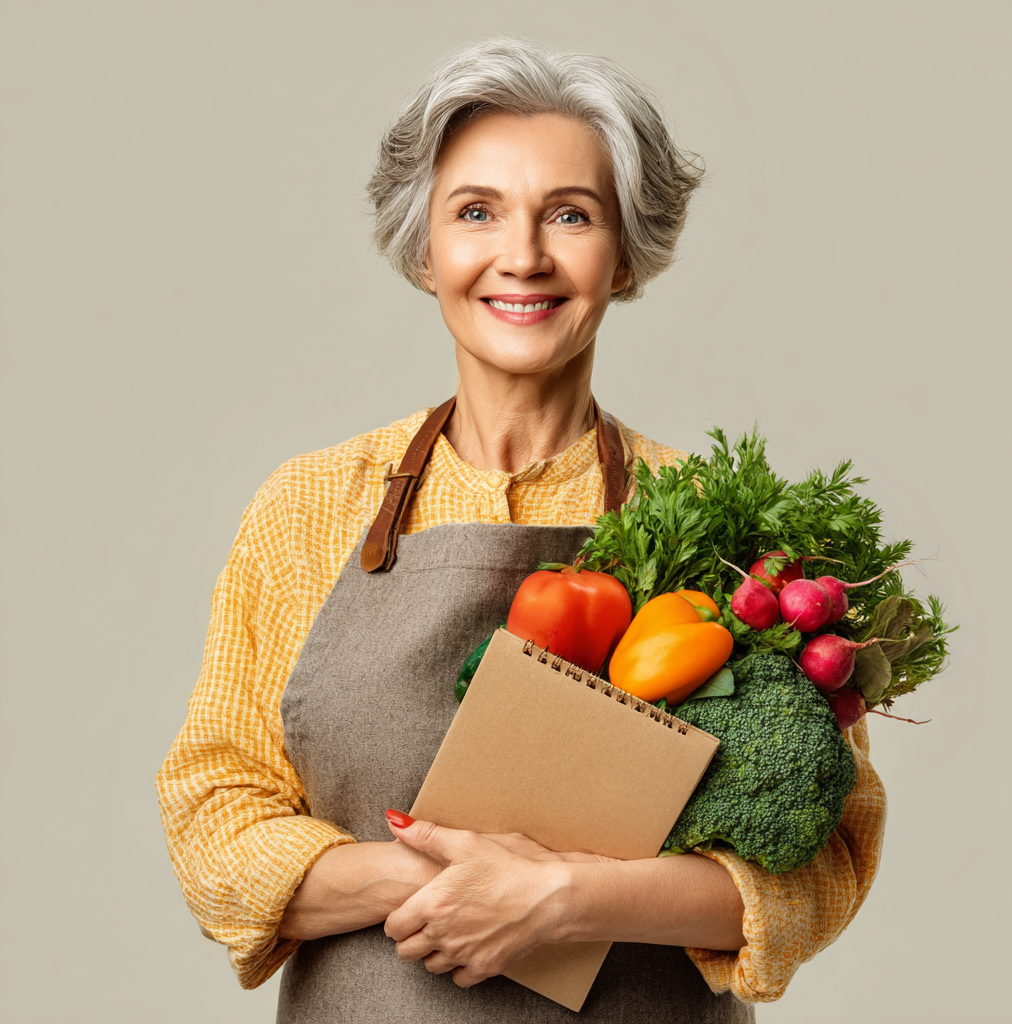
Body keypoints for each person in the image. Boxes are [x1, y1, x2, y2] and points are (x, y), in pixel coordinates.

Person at [157, 37, 885, 1022]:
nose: (524, 255)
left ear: (623, 251)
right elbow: (215, 815)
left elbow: (820, 857)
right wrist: (442, 884)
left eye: (570, 216)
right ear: (425, 250)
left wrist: (559, 899)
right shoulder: (309, 506)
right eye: (476, 212)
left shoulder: (722, 523)